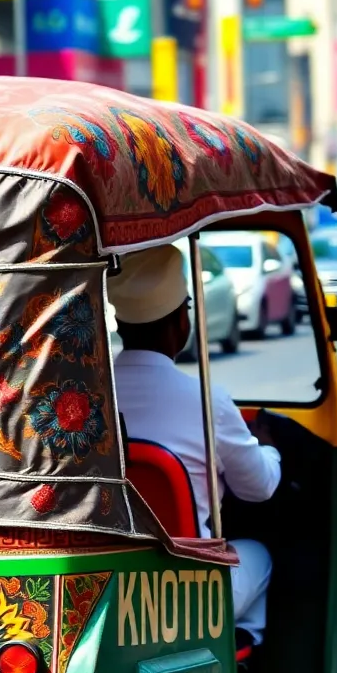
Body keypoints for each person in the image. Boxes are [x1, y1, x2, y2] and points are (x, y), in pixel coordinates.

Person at [108, 245, 280, 650]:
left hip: (109, 584)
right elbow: (259, 488)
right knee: (259, 554)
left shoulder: (86, 399)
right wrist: (268, 449)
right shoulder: (206, 400)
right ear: (179, 322)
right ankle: (237, 654)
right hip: (189, 590)